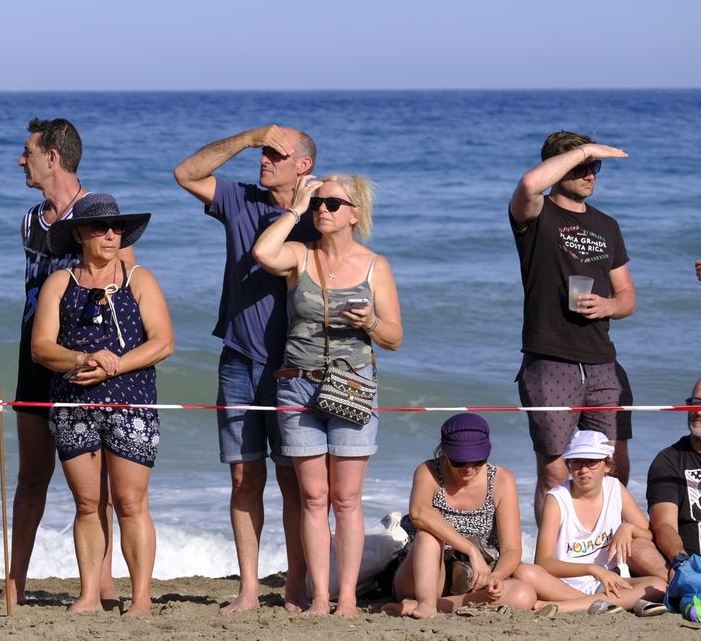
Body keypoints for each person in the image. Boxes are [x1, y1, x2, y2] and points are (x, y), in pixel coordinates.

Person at [173, 124, 318, 613]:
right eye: (264, 152)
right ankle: (250, 590)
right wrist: (248, 137)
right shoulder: (242, 200)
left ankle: (297, 585)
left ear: (303, 165)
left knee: (295, 480)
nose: (264, 159)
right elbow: (186, 173)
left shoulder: (320, 213)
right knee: (243, 477)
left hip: (297, 363)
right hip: (239, 355)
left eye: (277, 154)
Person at [253, 173, 403, 618]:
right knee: (313, 496)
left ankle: (349, 600)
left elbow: (394, 337)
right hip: (297, 381)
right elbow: (263, 252)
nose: (323, 208)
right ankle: (319, 597)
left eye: (332, 203)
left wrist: (368, 323)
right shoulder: (300, 254)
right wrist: (294, 209)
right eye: (318, 202)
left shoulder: (376, 265)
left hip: (353, 383)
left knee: (346, 498)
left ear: (354, 214)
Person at [9, 117, 132, 607]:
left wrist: (117, 359)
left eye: (28, 152)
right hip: (35, 352)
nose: (22, 159)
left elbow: (128, 282)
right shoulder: (28, 220)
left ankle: (102, 586)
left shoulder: (99, 215)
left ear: (52, 157)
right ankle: (14, 586)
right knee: (32, 474)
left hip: (92, 355)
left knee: (95, 484)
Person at [31, 194, 173, 616]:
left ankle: (142, 598)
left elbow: (163, 342)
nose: (110, 235)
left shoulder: (140, 279)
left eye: (116, 229)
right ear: (79, 234)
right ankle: (90, 593)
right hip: (74, 403)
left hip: (131, 404)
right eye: (99, 228)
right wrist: (81, 360)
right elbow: (41, 347)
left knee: (131, 502)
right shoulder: (60, 283)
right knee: (87, 503)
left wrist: (112, 367)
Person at [507, 132, 635, 523]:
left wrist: (610, 305)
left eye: (594, 167)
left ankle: (608, 547)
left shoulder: (607, 225)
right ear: (558, 167)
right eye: (581, 166)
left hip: (601, 361)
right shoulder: (536, 214)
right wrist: (586, 151)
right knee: (555, 470)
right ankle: (550, 560)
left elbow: (627, 295)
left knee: (613, 465)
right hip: (549, 360)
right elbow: (529, 183)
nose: (590, 173)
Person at [383, 414, 542, 618]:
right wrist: (470, 550)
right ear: (444, 451)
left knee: (523, 595)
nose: (468, 468)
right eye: (459, 462)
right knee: (428, 534)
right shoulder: (429, 471)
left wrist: (495, 577)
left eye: (478, 461)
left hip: (472, 579)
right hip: (422, 574)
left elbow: (511, 549)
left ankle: (434, 605)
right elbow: (419, 513)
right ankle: (425, 602)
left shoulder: (502, 479)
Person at [533, 430, 668, 614]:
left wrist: (628, 528)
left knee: (658, 585)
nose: (584, 469)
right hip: (562, 585)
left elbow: (650, 535)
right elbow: (543, 562)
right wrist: (592, 569)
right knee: (525, 571)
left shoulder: (615, 488)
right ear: (568, 465)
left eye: (592, 462)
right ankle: (596, 604)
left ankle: (568, 607)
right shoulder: (556, 499)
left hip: (608, 584)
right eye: (576, 462)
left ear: (607, 465)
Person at [646, 379, 701, 581]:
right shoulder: (668, 460)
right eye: (694, 403)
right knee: (636, 547)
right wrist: (680, 560)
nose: (698, 411)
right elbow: (664, 525)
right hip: (691, 563)